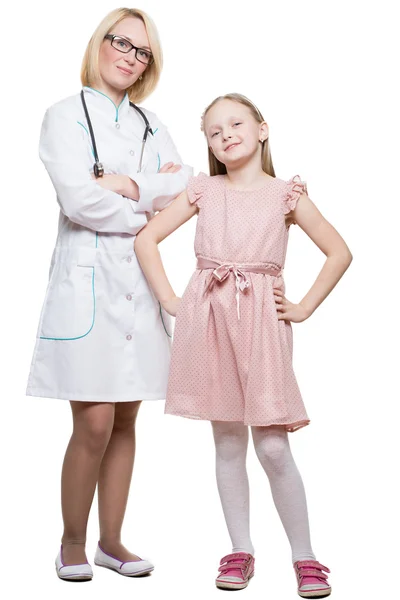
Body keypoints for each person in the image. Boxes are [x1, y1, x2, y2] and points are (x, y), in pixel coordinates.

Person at [134, 93, 353, 597]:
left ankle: (305, 555)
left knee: (273, 445)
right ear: (208, 144)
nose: (226, 134)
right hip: (209, 320)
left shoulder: (286, 194)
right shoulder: (203, 191)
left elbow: (339, 251)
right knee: (228, 440)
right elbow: (147, 239)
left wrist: (303, 306)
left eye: (236, 123)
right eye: (214, 131)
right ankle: (240, 549)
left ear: (262, 129)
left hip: (261, 323)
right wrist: (171, 298)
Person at [26, 7, 191, 581]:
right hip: (88, 287)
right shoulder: (64, 116)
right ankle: (72, 541)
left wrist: (126, 186)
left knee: (126, 422)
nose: (129, 55)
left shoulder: (151, 124)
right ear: (99, 44)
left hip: (139, 290)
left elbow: (187, 189)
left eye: (141, 51)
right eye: (120, 42)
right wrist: (149, 202)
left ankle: (112, 542)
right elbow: (78, 200)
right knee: (93, 422)